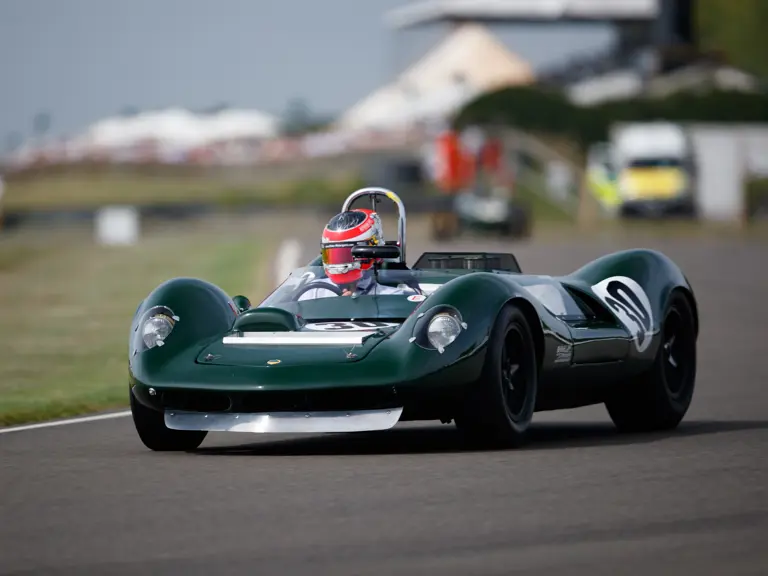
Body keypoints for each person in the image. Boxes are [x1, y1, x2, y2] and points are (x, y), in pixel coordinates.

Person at [298, 208, 418, 301]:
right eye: (335, 255)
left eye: (346, 255)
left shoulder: (394, 297)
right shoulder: (312, 292)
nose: (340, 263)